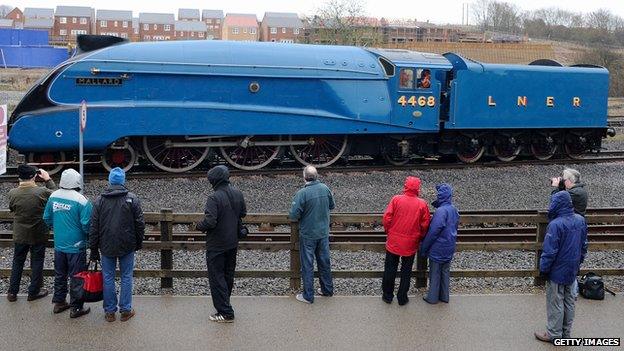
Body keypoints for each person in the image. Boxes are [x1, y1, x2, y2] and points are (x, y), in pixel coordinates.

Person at [89, 167, 145, 322]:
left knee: (108, 277)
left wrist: (93, 248)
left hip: (106, 245)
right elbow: (139, 223)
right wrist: (138, 242)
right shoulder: (132, 198)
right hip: (127, 244)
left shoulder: (100, 200)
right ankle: (126, 310)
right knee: (127, 276)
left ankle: (109, 311)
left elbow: (94, 226)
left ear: (110, 181)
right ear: (123, 181)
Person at [534, 191, 588, 343]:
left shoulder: (555, 225)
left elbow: (549, 252)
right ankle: (566, 333)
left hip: (557, 271)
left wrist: (543, 270)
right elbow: (584, 245)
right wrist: (579, 262)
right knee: (569, 301)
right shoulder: (580, 220)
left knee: (556, 301)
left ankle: (553, 334)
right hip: (572, 269)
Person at [196, 165, 246, 323]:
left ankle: (225, 312)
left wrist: (198, 225)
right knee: (227, 276)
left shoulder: (214, 197)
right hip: (233, 242)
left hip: (217, 244)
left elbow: (210, 221)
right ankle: (224, 305)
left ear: (214, 180)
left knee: (217, 278)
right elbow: (242, 213)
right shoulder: (238, 193)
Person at [43, 168, 92, 318]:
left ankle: (59, 302)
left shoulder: (53, 196)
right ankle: (76, 307)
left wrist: (57, 228)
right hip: (76, 246)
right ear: (77, 182)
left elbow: (46, 218)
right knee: (77, 276)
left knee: (60, 274)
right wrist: (88, 239)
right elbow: (87, 225)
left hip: (59, 244)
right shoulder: (82, 200)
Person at [7, 165, 56, 302]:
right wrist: (48, 179)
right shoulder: (42, 192)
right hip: (38, 233)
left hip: (20, 234)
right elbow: (56, 194)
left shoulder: (12, 193)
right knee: (37, 261)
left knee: (17, 262)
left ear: (19, 177)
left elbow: (12, 209)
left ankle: (12, 292)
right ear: (34, 177)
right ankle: (33, 292)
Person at [289, 165, 335, 304]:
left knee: (307, 265)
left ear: (304, 177)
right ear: (316, 176)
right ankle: (327, 289)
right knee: (324, 262)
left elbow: (293, 215)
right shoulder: (325, 188)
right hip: (323, 233)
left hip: (308, 234)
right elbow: (332, 206)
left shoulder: (302, 193)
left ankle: (308, 295)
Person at [381, 176, 430, 305]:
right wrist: (420, 236)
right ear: (417, 188)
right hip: (410, 242)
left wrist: (389, 231)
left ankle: (387, 296)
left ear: (406, 186)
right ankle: (402, 298)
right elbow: (425, 224)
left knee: (390, 268)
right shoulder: (422, 203)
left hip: (394, 240)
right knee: (406, 271)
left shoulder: (396, 199)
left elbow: (387, 218)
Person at [420, 184, 460, 304]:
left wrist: (424, 248)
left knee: (435, 273)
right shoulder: (454, 209)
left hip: (438, 248)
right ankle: (444, 296)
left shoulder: (441, 211)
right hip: (449, 246)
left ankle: (432, 298)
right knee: (445, 272)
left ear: (441, 196)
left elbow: (433, 232)